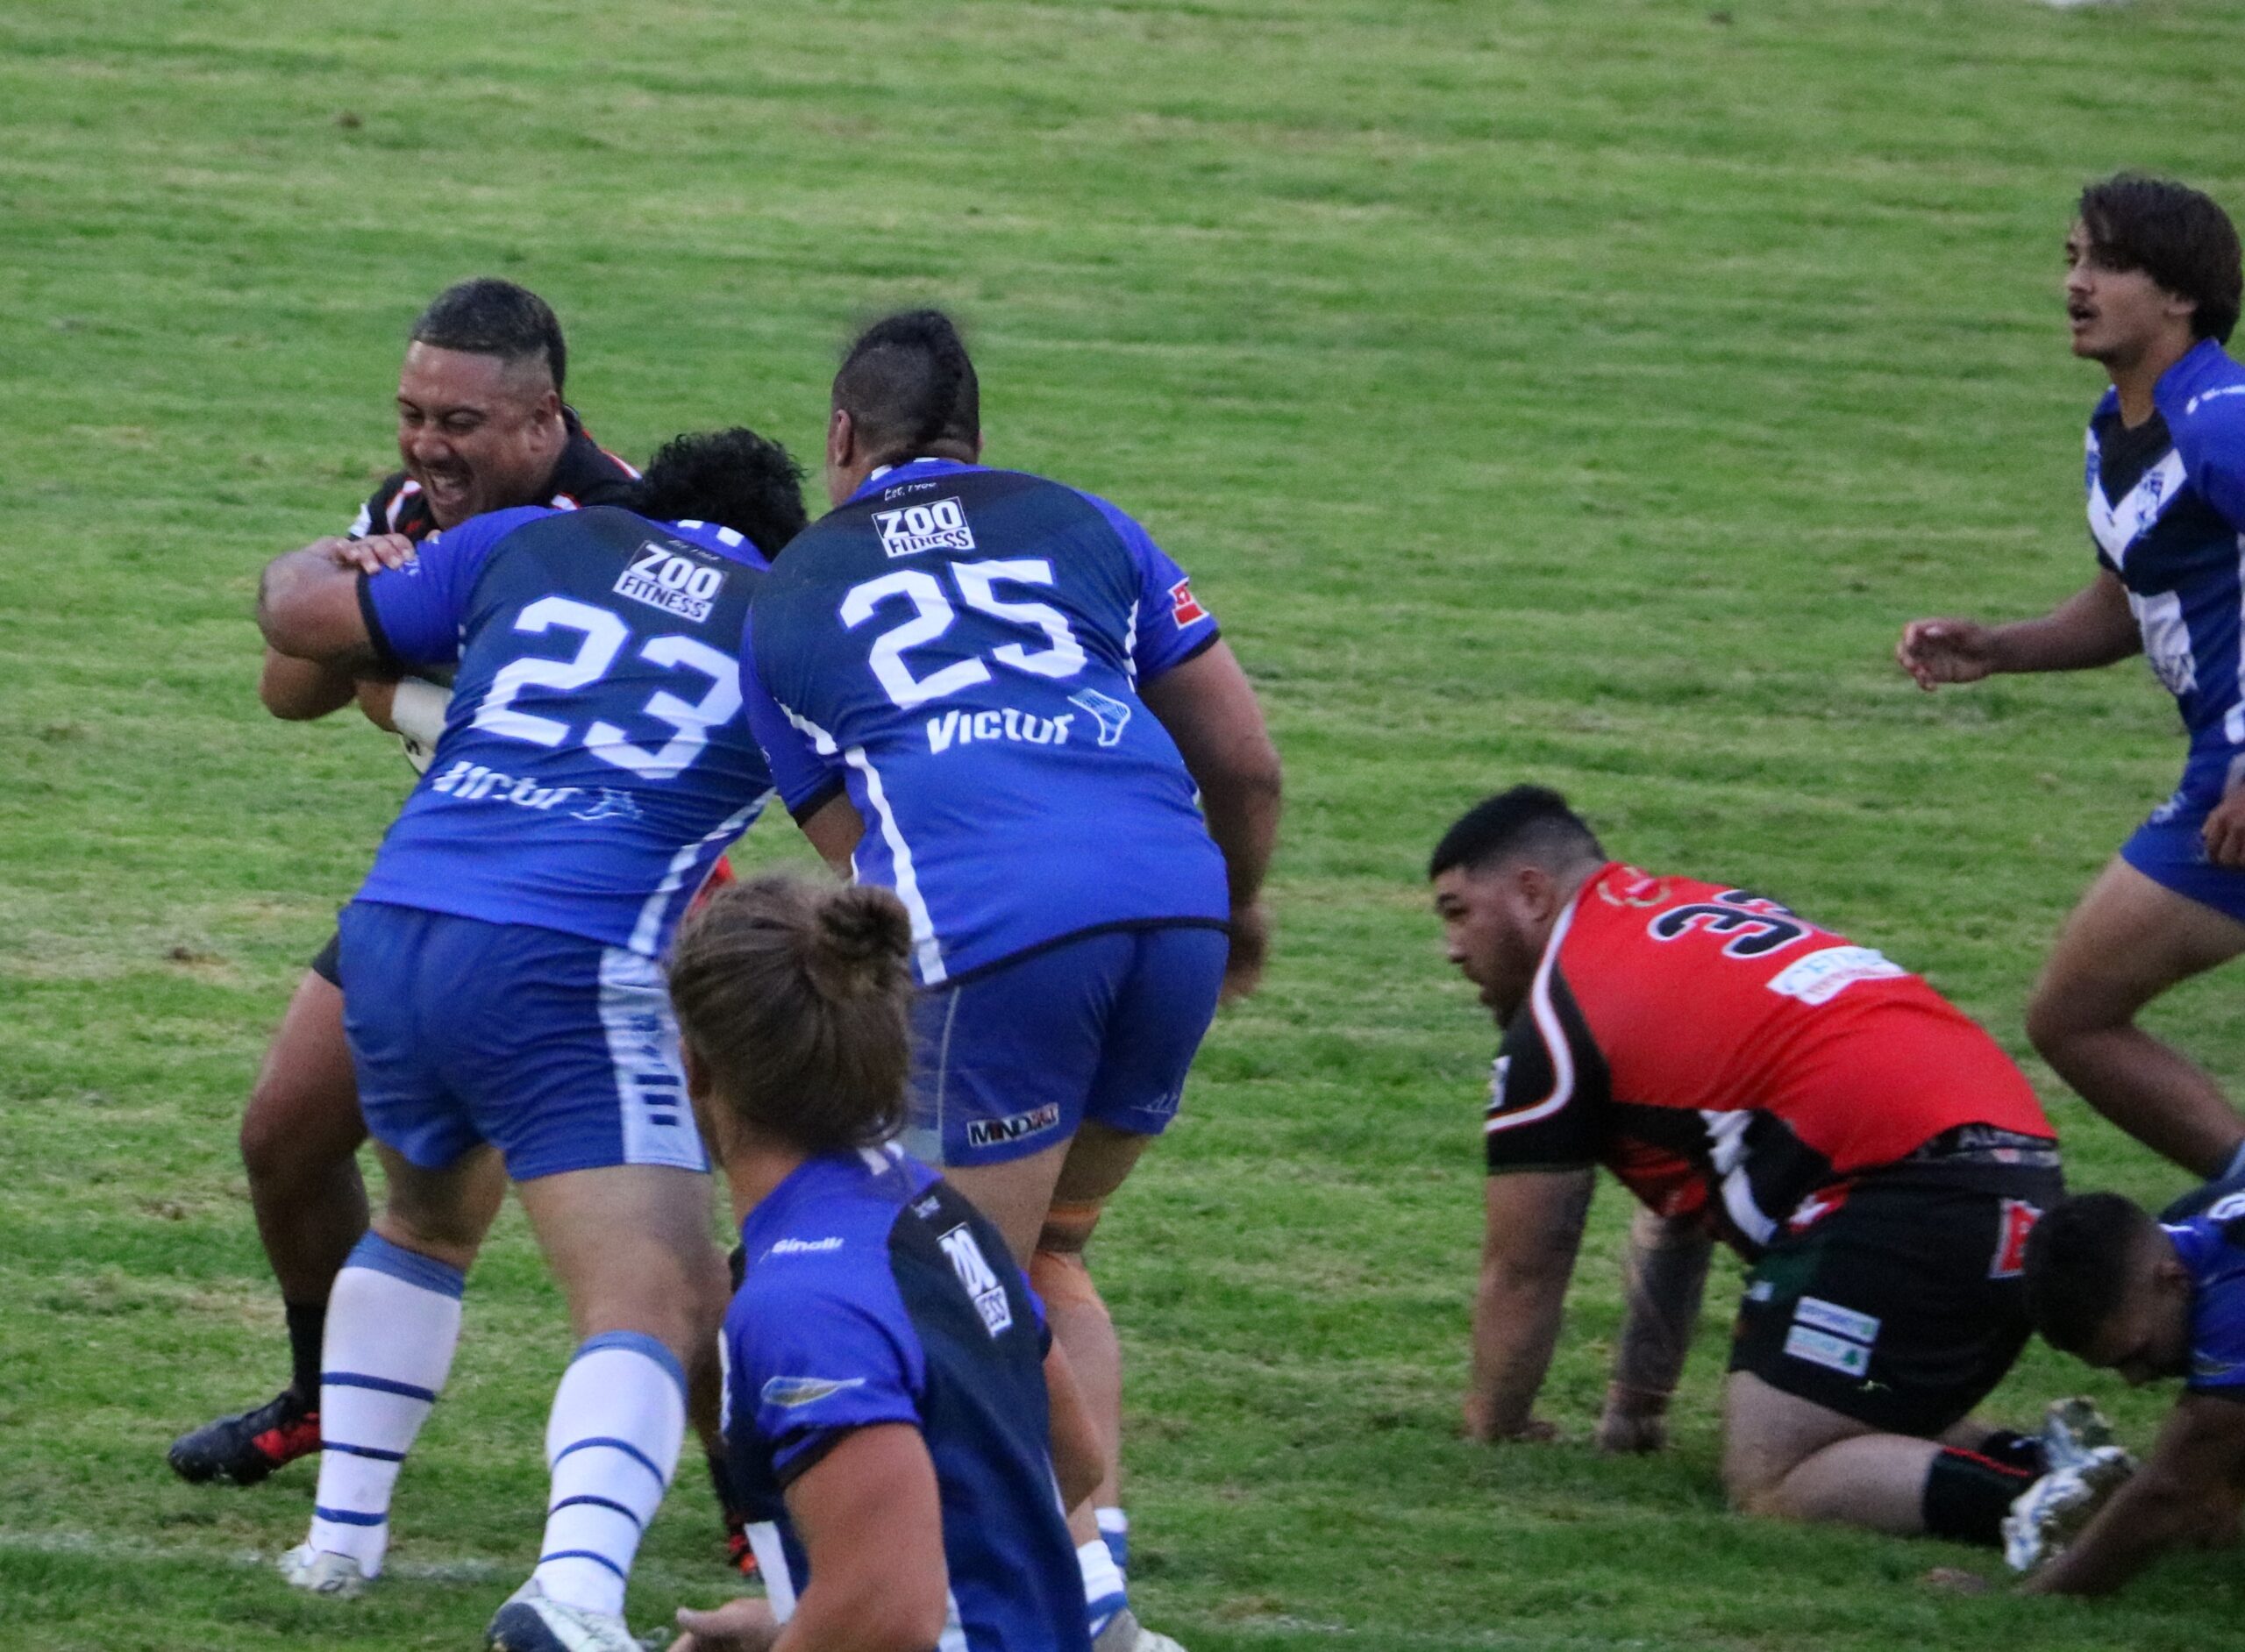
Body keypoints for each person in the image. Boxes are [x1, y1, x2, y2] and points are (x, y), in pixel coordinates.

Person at [737, 310, 1279, 1648]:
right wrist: (1237, 903)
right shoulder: (1090, 523)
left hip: (998, 936)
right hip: (1175, 909)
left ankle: (1021, 1613)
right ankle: (1100, 1594)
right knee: (1049, 1254)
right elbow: (1249, 763)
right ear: (979, 436)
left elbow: (859, 857)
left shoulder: (794, 589)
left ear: (843, 437)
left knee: (955, 1276)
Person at [253, 433, 800, 1652]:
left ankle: (338, 1545)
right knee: (659, 1296)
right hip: (569, 949)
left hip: (395, 928)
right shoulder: (784, 618)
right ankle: (576, 1596)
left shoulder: (529, 539)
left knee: (423, 1224)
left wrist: (328, 560)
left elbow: (304, 624)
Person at [173, 277, 643, 1487]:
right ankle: (324, 1399)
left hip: (620, 900)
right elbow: (291, 687)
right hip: (447, 882)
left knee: (653, 1237)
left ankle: (755, 1492)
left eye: (460, 424)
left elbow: (521, 724)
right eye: (412, 413)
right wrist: (362, 607)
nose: (429, 445)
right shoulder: (412, 506)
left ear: (546, 423)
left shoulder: (622, 528)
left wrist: (389, 650)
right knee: (285, 1138)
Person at [1431, 785, 2085, 1549]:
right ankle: (2058, 1466)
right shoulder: (1679, 917)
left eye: (1456, 912)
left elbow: (1527, 1263)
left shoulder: (1560, 1017)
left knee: (1776, 1470)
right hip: (2017, 1174)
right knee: (1857, 1405)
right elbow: (1675, 1214)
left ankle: (2060, 1504)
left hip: (1906, 1193)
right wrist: (1636, 1407)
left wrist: (1491, 1429)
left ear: (1532, 893)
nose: (1451, 948)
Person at [1896, 175, 2245, 1184]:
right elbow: (2132, 598)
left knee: (2077, 1016)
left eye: (2105, 263)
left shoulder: (2221, 421)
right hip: (2214, 784)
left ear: (2179, 295)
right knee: (2072, 1016)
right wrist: (2000, 646)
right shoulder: (2115, 424)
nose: (2076, 284)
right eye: (2069, 261)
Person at [665, 874, 1102, 1652]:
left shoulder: (803, 1303)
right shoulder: (930, 1207)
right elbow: (1069, 1462)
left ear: (695, 1065)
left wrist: (838, 1613)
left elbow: (888, 1615)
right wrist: (804, 1621)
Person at [2015, 1186, 2245, 1591]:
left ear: (2173, 1281)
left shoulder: (2234, 1292)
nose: (2136, 1380)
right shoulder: (2184, 1235)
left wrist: (2031, 1596)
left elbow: (2170, 1491)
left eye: (2137, 1354)